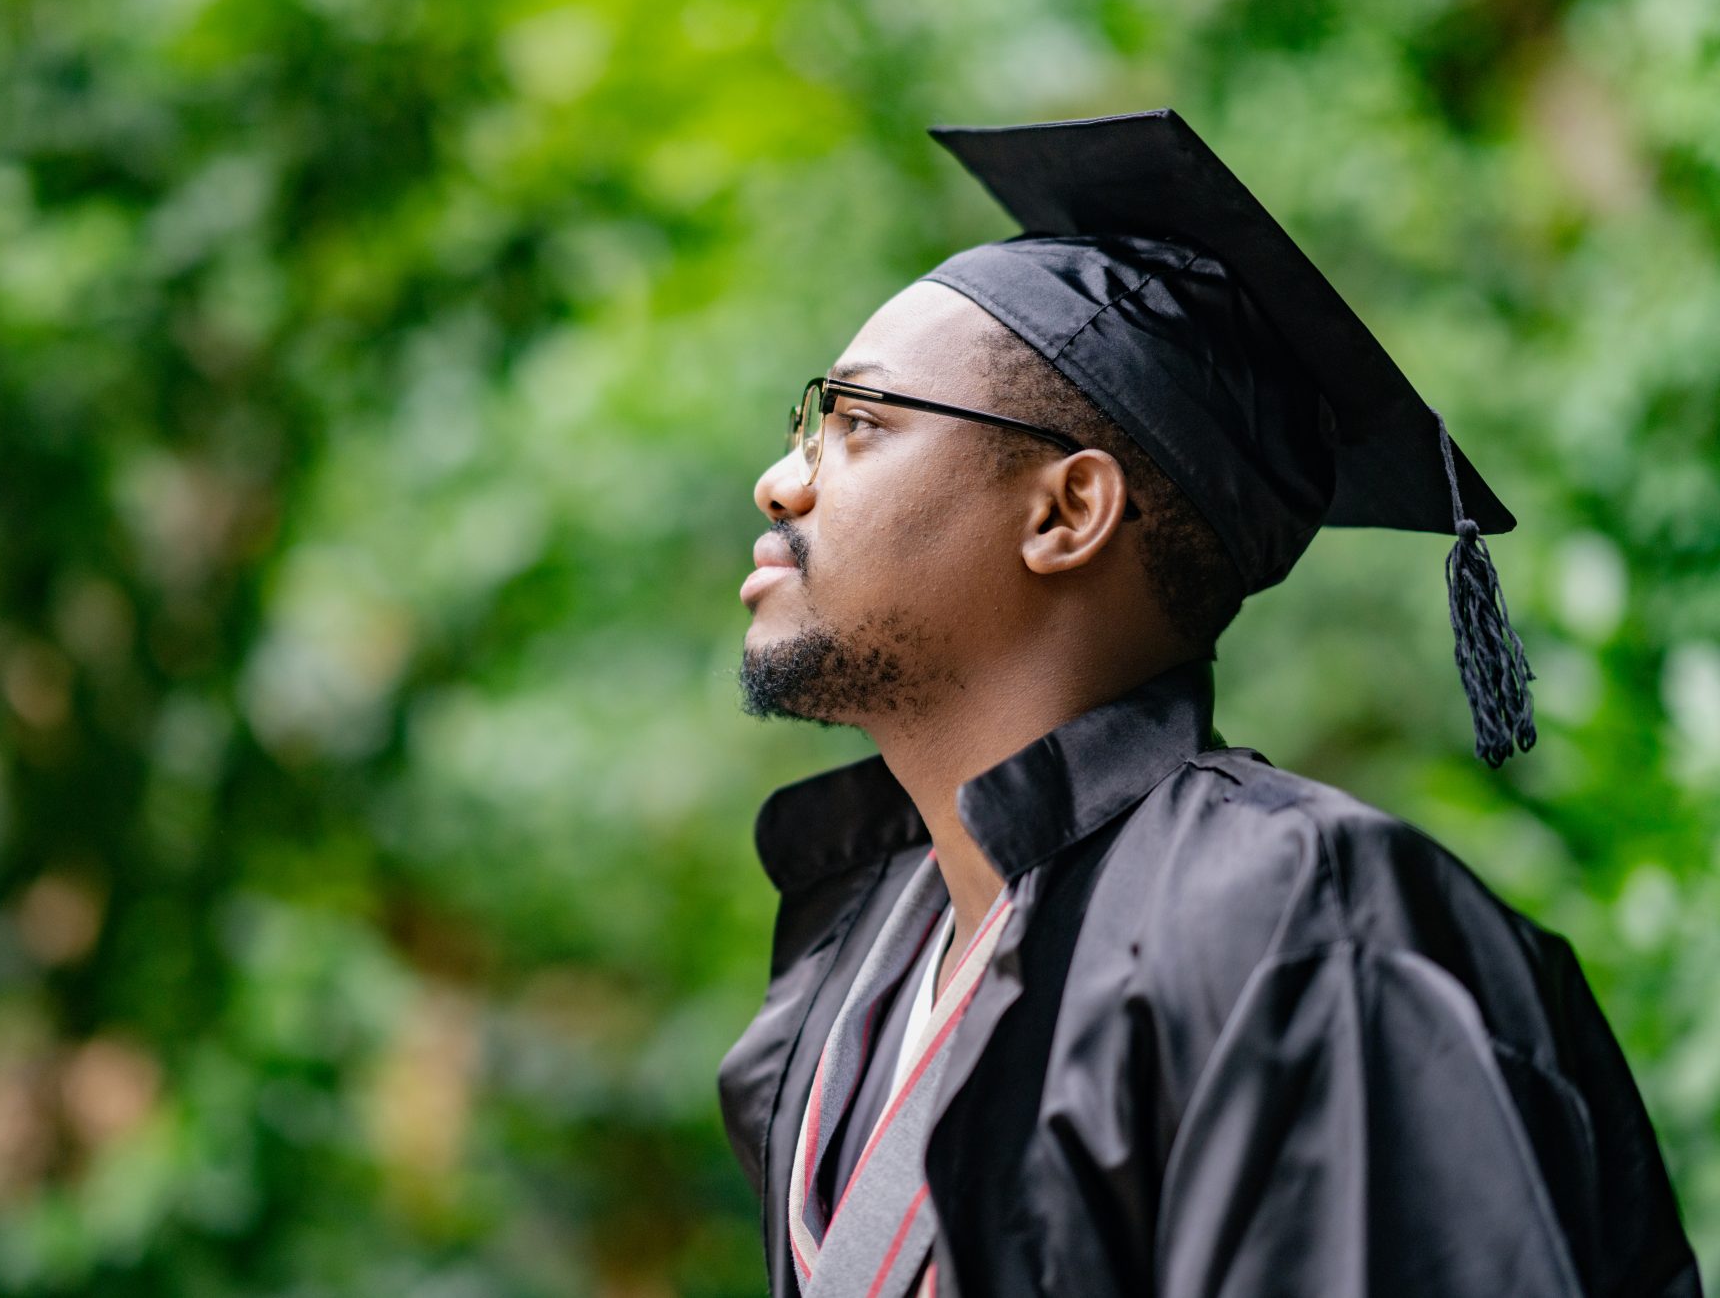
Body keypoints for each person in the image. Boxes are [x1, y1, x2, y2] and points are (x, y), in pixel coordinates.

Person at [718, 109, 1700, 1298]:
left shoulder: (1290, 925)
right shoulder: (868, 950)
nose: (782, 481)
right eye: (805, 429)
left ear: (1064, 513)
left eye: (860, 423)